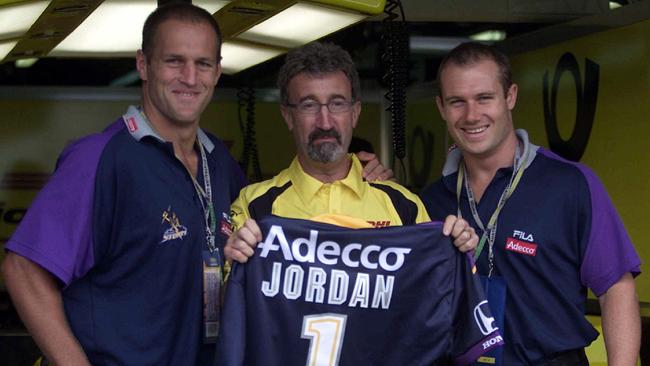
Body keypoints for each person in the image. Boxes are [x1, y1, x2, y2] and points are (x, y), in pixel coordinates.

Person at [419, 42, 641, 365]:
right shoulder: (429, 202)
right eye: (457, 102)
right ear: (441, 107)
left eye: (484, 98)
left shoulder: (570, 185)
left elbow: (616, 289)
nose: (471, 115)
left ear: (510, 96)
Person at [224, 41, 477, 264]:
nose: (325, 122)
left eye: (337, 104)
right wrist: (232, 261)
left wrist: (458, 250)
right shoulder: (253, 207)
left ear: (355, 112)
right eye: (309, 105)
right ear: (288, 116)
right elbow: (222, 302)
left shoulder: (403, 206)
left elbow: (435, 292)